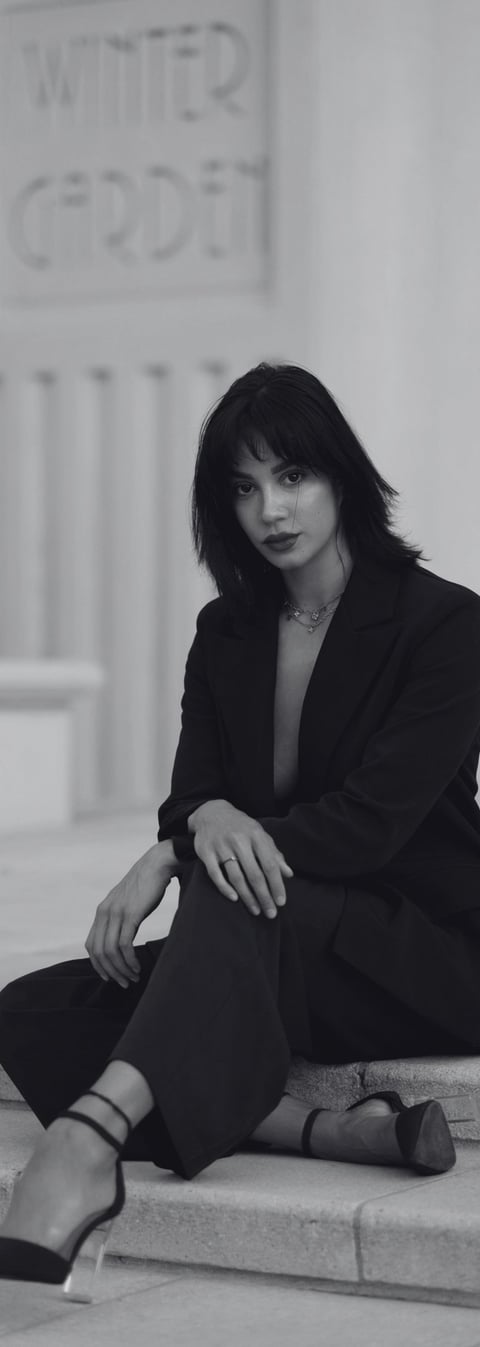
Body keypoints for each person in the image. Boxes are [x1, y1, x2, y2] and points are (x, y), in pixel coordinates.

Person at [1, 361, 480, 1301]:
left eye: (293, 476)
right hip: (279, 936)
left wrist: (181, 848)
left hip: (425, 951)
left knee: (230, 884)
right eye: (245, 487)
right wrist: (194, 822)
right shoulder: (227, 629)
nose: (273, 508)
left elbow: (366, 829)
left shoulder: (446, 623)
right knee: (29, 1010)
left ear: (341, 476)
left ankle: (86, 1143)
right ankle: (318, 1128)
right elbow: (196, 793)